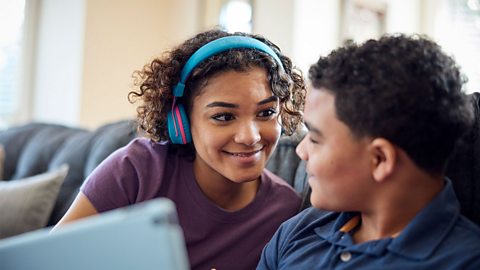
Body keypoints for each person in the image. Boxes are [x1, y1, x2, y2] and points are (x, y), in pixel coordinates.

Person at [53, 29, 306, 270]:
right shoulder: (136, 171)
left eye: (267, 112)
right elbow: (48, 260)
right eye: (224, 117)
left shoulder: (286, 211)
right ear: (181, 121)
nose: (250, 137)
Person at [257, 34, 480, 269]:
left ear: (380, 159)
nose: (301, 151)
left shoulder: (465, 261)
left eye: (315, 138)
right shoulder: (298, 233)